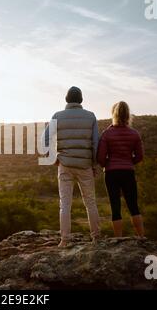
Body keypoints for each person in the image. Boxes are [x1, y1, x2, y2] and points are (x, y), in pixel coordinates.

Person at [44, 86, 100, 247]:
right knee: (90, 202)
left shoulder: (57, 116)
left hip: (65, 165)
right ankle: (96, 238)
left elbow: (45, 139)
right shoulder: (91, 117)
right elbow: (96, 143)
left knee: (65, 203)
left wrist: (53, 157)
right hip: (85, 165)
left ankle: (64, 240)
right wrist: (95, 163)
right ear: (81, 99)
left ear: (66, 99)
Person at [97, 101, 145, 238]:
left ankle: (118, 238)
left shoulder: (106, 134)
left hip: (111, 173)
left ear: (114, 114)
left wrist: (108, 164)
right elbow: (140, 156)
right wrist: (129, 162)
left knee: (115, 205)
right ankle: (141, 237)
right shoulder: (134, 134)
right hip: (128, 172)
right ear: (128, 115)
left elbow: (100, 157)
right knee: (133, 205)